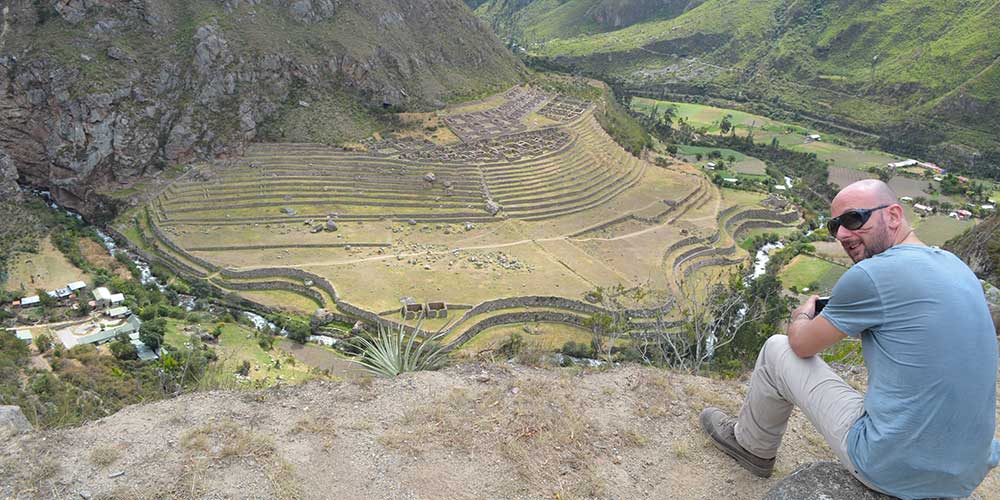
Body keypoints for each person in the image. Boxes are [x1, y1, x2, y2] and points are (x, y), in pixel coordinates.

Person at [700, 179, 999, 499]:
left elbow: (801, 344)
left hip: (893, 466)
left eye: (854, 219)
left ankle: (751, 447)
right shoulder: (957, 267)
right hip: (966, 474)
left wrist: (801, 315)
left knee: (777, 348)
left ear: (894, 215)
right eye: (835, 226)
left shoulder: (873, 275)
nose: (842, 233)